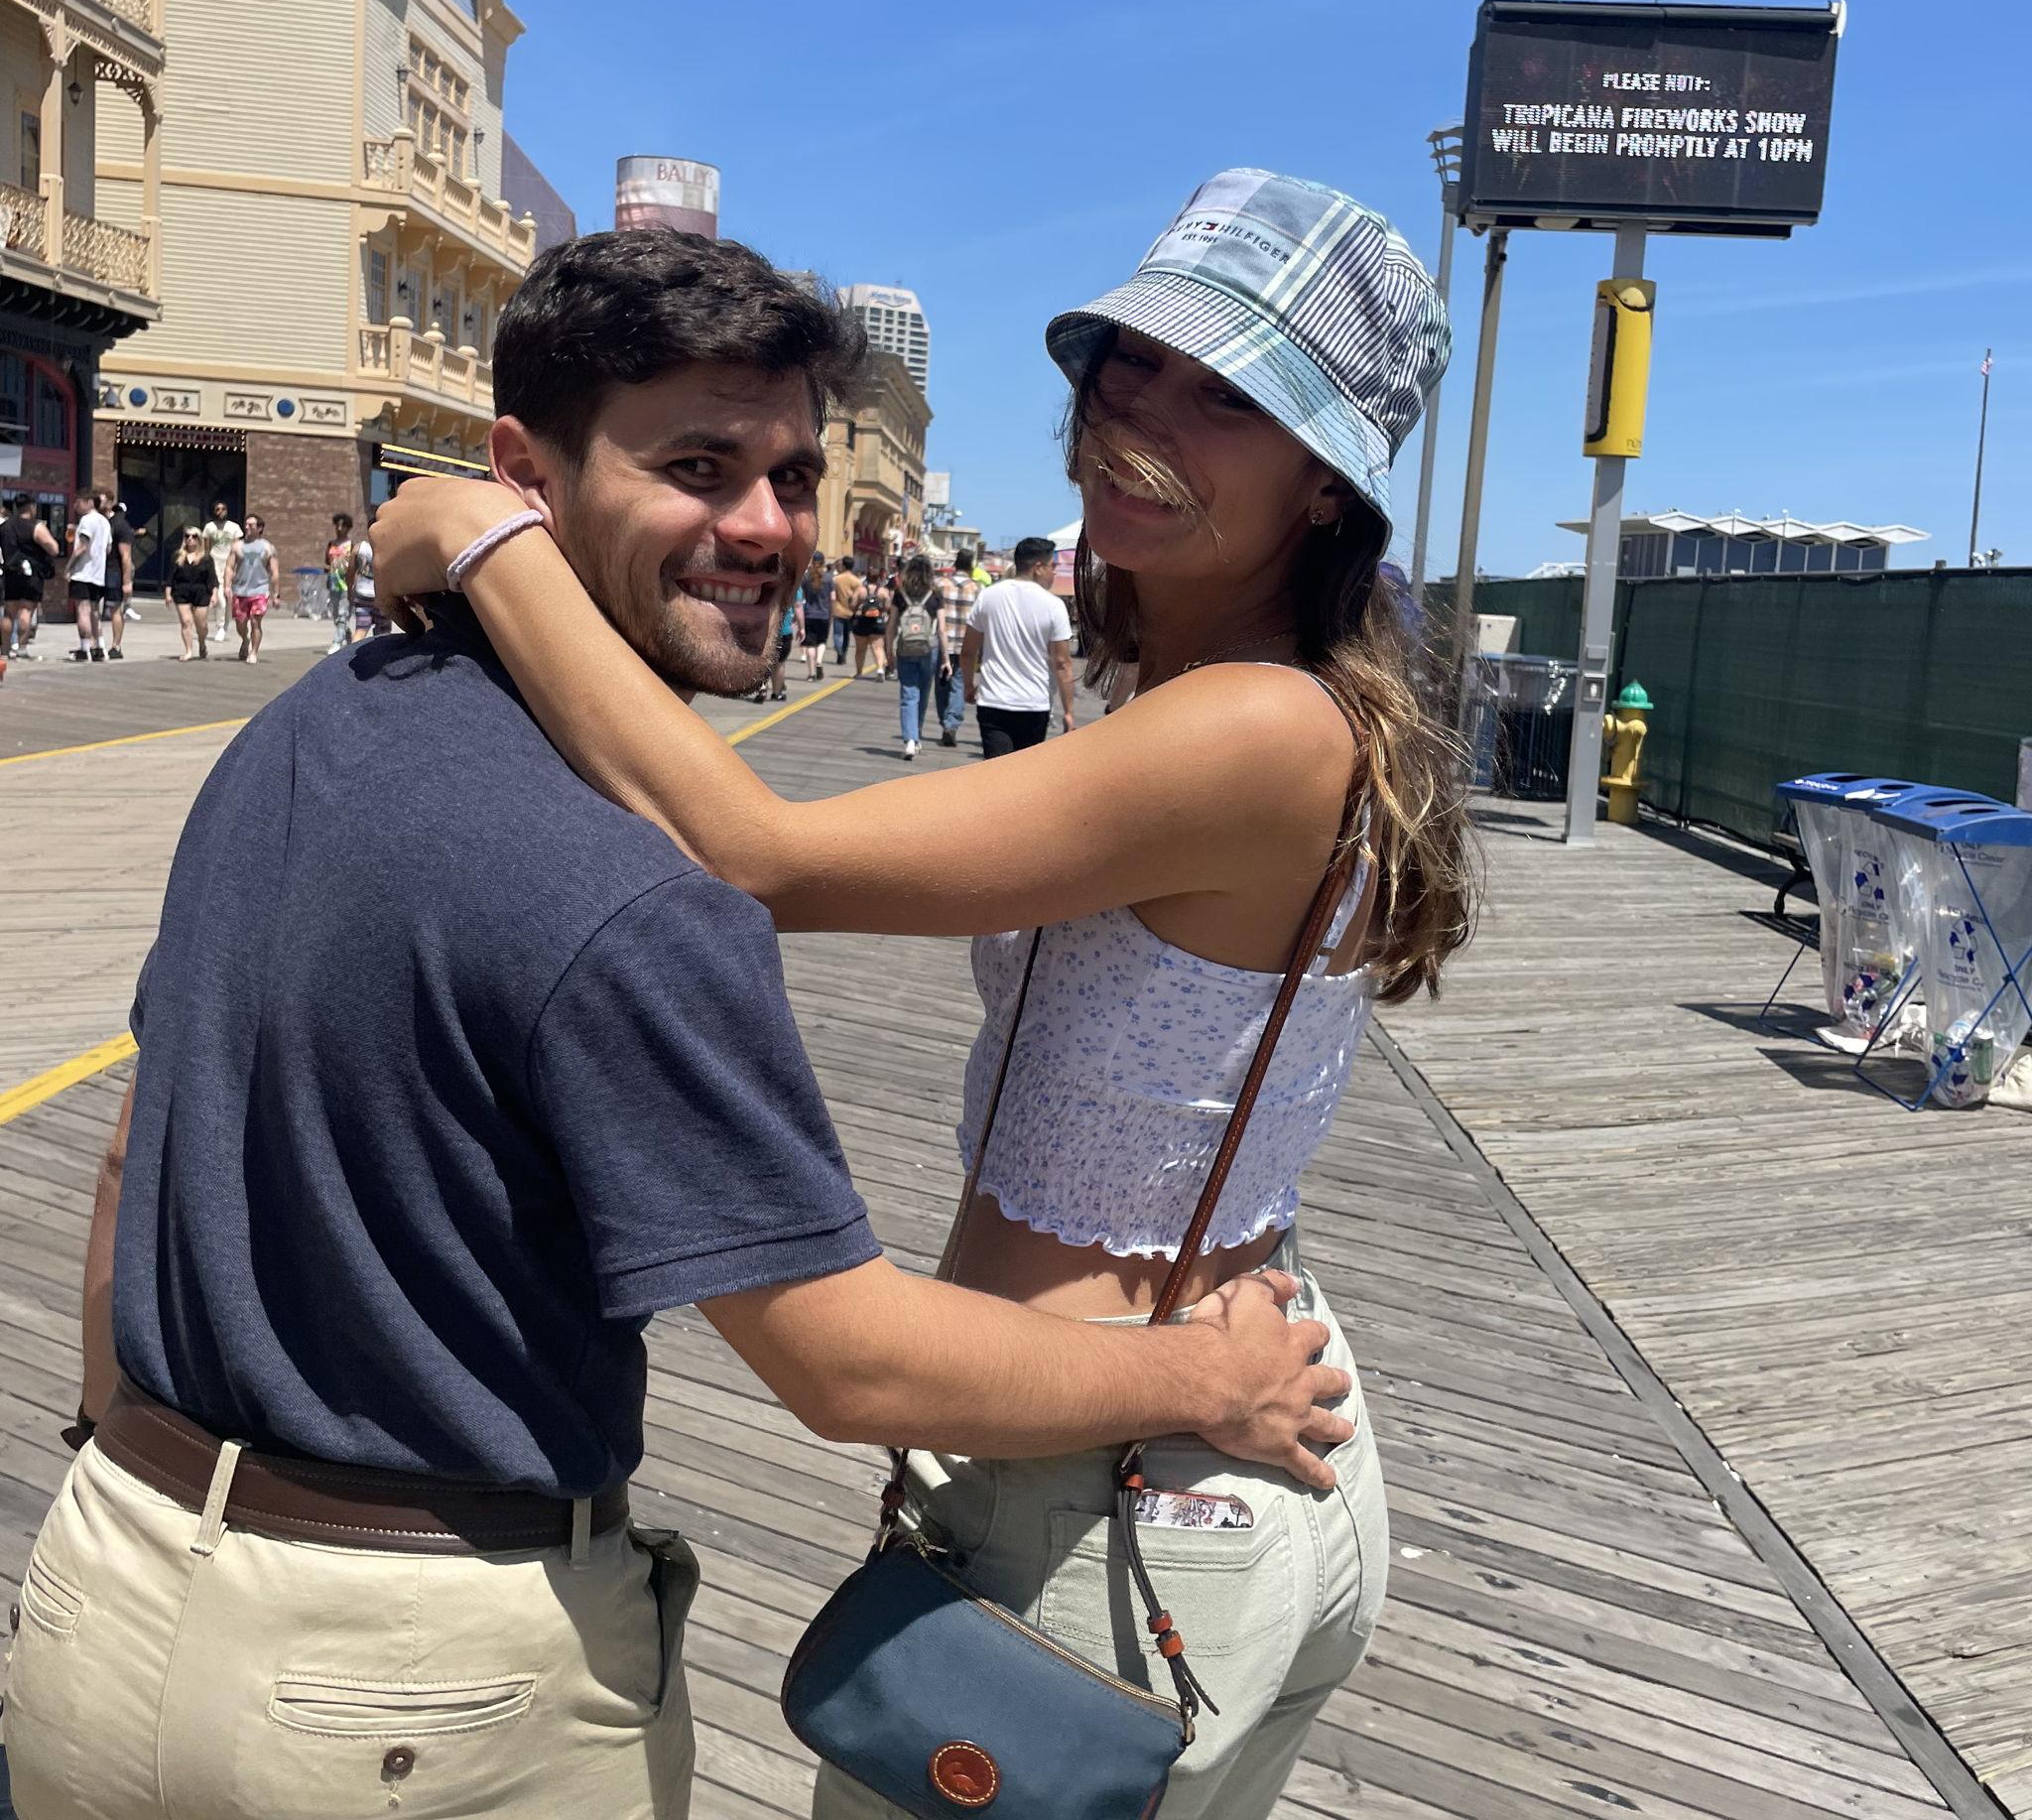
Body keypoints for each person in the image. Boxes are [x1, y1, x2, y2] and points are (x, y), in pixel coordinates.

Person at [6, 226, 1348, 1820]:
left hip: (106, 1583)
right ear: (533, 472)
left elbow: (123, 1169)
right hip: (416, 1696)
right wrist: (1205, 1388)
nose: (769, 524)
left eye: (790, 474)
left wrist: (115, 1455)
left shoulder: (302, 725)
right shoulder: (635, 892)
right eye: (700, 467)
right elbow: (843, 1363)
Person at [370, 170, 1471, 1819]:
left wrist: (485, 532)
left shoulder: (1253, 727)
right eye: (1133, 359)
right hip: (1189, 1456)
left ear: (1325, 483)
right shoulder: (1223, 692)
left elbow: (750, 850)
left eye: (1228, 398)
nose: (1142, 417)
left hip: (1112, 1497)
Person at [961, 534, 1075, 756]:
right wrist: (1069, 711)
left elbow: (968, 651)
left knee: (996, 773)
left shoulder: (988, 597)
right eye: (1053, 566)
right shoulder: (1054, 606)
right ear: (1038, 567)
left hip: (994, 700)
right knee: (1025, 776)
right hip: (1034, 704)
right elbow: (1062, 663)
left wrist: (968, 685)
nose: (1055, 572)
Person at [885, 551, 947, 761]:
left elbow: (891, 625)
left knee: (908, 694)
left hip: (905, 648)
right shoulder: (935, 593)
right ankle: (916, 735)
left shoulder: (900, 593)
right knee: (923, 692)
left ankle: (910, 739)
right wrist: (946, 659)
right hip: (929, 649)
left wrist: (888, 652)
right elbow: (942, 630)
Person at [2, 492, 61, 661]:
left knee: (8, 613)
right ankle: (21, 648)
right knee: (26, 610)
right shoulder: (35, 527)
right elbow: (54, 549)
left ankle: (4, 651)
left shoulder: (5, 527)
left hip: (11, 572)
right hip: (31, 574)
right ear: (32, 506)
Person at [225, 511, 279, 663]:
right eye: (246, 524)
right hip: (240, 590)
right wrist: (227, 586)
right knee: (240, 623)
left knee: (256, 621)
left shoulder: (268, 547)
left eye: (251, 525)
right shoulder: (237, 546)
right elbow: (229, 567)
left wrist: (276, 594)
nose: (247, 527)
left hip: (260, 590)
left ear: (260, 528)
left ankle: (253, 653)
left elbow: (274, 572)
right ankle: (245, 640)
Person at [934, 561, 977, 745]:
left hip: (943, 643)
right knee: (958, 683)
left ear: (955, 565)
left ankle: (945, 721)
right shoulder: (976, 588)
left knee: (942, 684)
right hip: (966, 644)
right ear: (970, 567)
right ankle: (952, 723)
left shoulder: (941, 584)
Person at [66, 491, 111, 662]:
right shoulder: (105, 522)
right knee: (94, 612)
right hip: (98, 574)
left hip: (83, 573)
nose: (75, 506)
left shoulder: (87, 520)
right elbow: (108, 548)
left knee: (82, 611)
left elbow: (82, 547)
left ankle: (84, 649)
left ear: (89, 502)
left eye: (78, 502)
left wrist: (69, 566)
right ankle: (99, 648)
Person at [162, 526, 217, 661]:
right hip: (181, 591)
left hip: (201, 592)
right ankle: (188, 650)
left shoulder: (206, 558)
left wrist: (214, 594)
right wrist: (168, 594)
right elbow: (170, 577)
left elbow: (212, 579)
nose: (190, 539)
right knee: (186, 622)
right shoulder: (178, 556)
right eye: (187, 536)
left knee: (201, 625)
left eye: (194, 536)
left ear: (199, 540)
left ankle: (202, 643)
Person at [101, 493, 138, 659]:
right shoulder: (102, 523)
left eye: (100, 499)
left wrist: (127, 581)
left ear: (110, 503)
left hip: (114, 571)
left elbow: (126, 556)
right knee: (95, 608)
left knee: (115, 609)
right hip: (98, 571)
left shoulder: (120, 525)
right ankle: (96, 645)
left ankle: (116, 646)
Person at [201, 500, 242, 644]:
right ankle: (219, 627)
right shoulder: (209, 527)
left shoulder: (234, 527)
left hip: (229, 565)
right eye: (217, 509)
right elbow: (206, 549)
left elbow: (238, 549)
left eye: (223, 509)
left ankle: (225, 626)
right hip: (214, 563)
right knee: (220, 599)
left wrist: (237, 567)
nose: (220, 512)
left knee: (229, 598)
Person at [324, 512, 354, 653]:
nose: (339, 528)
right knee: (335, 612)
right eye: (337, 525)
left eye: (342, 525)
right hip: (333, 581)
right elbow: (327, 561)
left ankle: (337, 641)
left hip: (345, 582)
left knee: (343, 612)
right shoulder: (331, 543)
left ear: (348, 528)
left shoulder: (351, 545)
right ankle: (346, 633)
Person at [350, 518, 385, 640]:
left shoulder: (359, 548)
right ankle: (381, 658)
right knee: (383, 632)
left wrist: (350, 591)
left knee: (361, 629)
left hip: (362, 594)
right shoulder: (388, 549)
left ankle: (351, 657)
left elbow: (350, 572)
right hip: (381, 596)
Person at [799, 554, 829, 680]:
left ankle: (811, 674)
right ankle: (819, 661)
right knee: (822, 641)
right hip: (824, 615)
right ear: (823, 562)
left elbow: (802, 597)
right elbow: (832, 598)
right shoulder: (828, 578)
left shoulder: (806, 578)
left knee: (810, 645)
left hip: (809, 614)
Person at [828, 553, 861, 666]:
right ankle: (844, 653)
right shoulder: (856, 581)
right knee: (847, 635)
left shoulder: (836, 579)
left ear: (844, 565)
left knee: (837, 634)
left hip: (838, 610)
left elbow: (832, 595)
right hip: (850, 611)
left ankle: (839, 652)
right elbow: (860, 597)